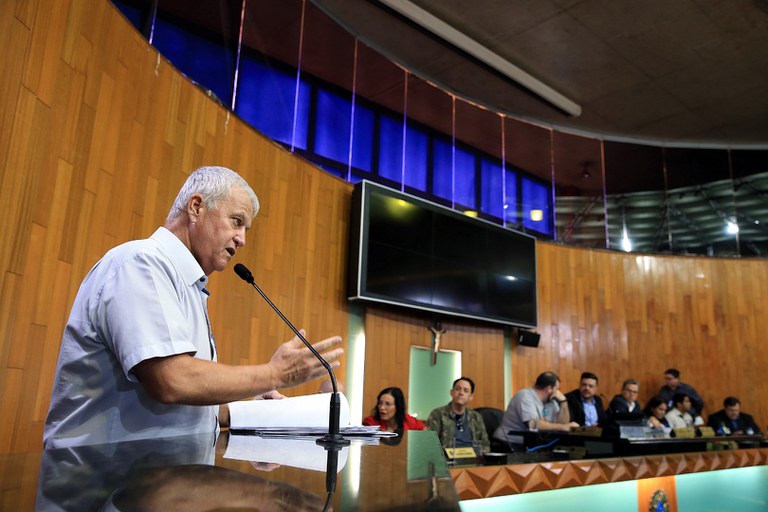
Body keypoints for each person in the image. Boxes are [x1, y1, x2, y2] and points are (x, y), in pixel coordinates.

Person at [43, 166, 344, 449]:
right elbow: (171, 381)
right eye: (237, 221)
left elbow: (178, 405)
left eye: (246, 228)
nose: (242, 239)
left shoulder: (189, 286)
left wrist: (247, 412)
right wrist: (275, 373)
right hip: (100, 479)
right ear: (196, 207)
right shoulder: (141, 264)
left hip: (153, 478)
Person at [493, 371, 578, 444]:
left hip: (532, 443)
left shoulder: (551, 401)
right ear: (549, 389)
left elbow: (562, 423)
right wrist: (563, 427)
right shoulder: (525, 396)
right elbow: (533, 424)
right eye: (557, 389)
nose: (558, 392)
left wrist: (564, 403)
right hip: (507, 443)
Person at [426, 377, 490, 454]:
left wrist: (478, 454)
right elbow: (429, 444)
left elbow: (485, 445)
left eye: (465, 390)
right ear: (451, 392)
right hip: (446, 459)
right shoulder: (438, 414)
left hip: (471, 459)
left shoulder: (476, 417)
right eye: (457, 389)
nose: (461, 393)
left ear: (471, 397)